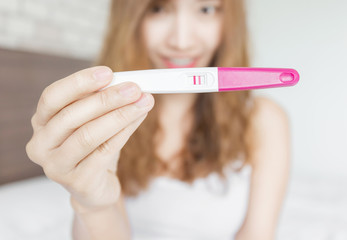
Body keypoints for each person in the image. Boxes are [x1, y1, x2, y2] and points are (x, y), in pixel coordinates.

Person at [25, 0, 290, 239]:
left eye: (206, 9)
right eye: (158, 8)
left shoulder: (264, 120)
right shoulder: (105, 119)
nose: (182, 41)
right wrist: (91, 204)